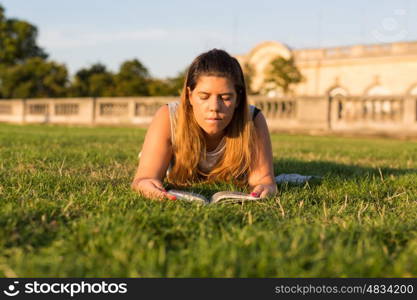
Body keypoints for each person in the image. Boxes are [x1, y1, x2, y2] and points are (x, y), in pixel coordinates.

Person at [131, 49, 277, 201]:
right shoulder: (168, 116)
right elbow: (144, 179)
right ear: (190, 96)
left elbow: (263, 181)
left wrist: (265, 188)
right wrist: (147, 185)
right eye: (204, 96)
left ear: (238, 99)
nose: (214, 106)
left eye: (225, 97)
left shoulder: (252, 119)